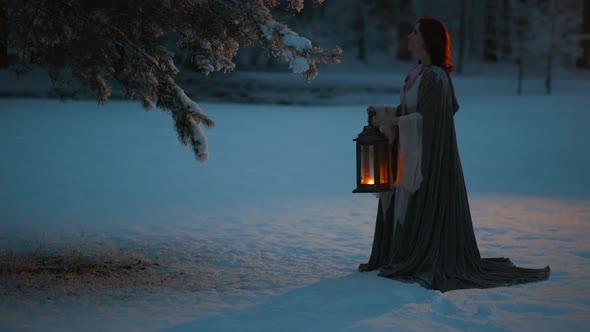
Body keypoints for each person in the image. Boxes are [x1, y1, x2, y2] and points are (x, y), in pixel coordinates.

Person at [358, 17, 550, 292]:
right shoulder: (417, 73)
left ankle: (423, 254)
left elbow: (430, 121)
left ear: (427, 39)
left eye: (415, 32)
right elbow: (412, 111)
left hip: (427, 160)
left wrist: (393, 123)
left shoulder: (436, 77)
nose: (409, 36)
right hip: (410, 156)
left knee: (416, 204)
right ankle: (402, 251)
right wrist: (386, 113)